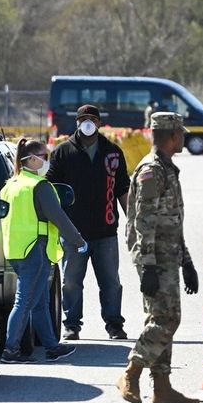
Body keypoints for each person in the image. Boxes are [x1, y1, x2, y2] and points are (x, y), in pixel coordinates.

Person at [116, 112, 200, 403]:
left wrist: (187, 262)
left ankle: (162, 389)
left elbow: (172, 221)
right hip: (154, 257)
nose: (184, 138)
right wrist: (148, 265)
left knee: (161, 318)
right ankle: (131, 371)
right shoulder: (151, 170)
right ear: (172, 135)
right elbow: (145, 222)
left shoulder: (167, 168)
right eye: (181, 134)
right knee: (167, 319)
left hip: (167, 254)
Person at [46, 104, 130, 340]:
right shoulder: (62, 152)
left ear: (99, 123)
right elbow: (50, 187)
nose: (87, 123)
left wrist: (132, 220)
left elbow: (123, 188)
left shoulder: (112, 152)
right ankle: (71, 325)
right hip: (73, 233)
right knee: (71, 282)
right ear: (77, 123)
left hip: (105, 231)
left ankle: (114, 325)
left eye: (92, 119)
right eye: (83, 119)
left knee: (111, 283)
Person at [0, 139, 86, 363]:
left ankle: (51, 346)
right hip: (35, 250)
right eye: (44, 157)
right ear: (31, 159)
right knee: (25, 302)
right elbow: (58, 217)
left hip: (17, 250)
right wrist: (77, 240)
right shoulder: (39, 186)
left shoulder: (10, 185)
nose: (47, 161)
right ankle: (11, 350)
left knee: (39, 302)